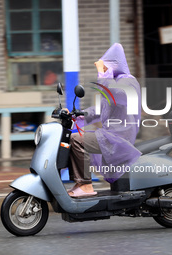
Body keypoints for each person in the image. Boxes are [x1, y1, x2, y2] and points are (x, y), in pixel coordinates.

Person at [66, 43, 142, 198]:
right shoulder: (114, 82)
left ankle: (85, 184)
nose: (104, 72)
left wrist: (102, 73)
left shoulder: (129, 82)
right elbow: (99, 109)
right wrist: (76, 114)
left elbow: (113, 93)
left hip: (120, 136)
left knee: (77, 139)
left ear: (116, 65)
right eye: (104, 69)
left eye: (107, 68)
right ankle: (81, 183)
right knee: (71, 139)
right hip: (110, 134)